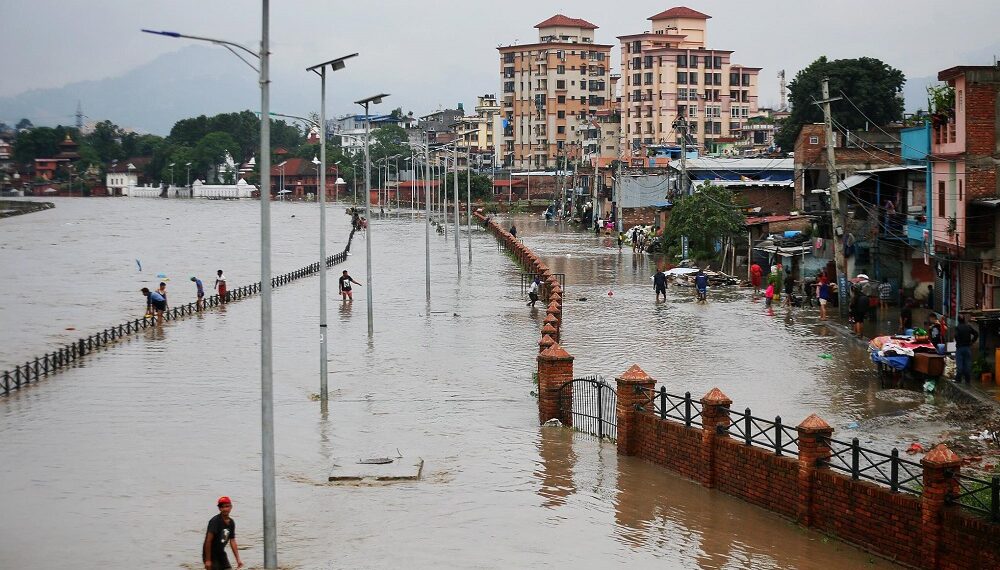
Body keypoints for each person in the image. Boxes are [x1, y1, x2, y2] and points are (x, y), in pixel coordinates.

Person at [203, 496, 242, 570]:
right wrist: (208, 560)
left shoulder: (231, 522)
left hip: (221, 553)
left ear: (231, 507)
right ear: (219, 508)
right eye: (222, 507)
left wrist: (238, 560)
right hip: (210, 554)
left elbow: (232, 541)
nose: (225, 509)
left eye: (227, 506)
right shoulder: (215, 521)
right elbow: (208, 541)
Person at [954, 315, 980, 383]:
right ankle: (967, 380)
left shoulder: (958, 327)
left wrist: (959, 342)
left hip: (960, 348)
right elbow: (976, 334)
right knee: (967, 364)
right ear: (964, 320)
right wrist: (972, 341)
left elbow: (956, 336)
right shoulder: (968, 327)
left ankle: (958, 379)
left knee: (959, 364)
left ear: (958, 320)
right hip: (967, 348)